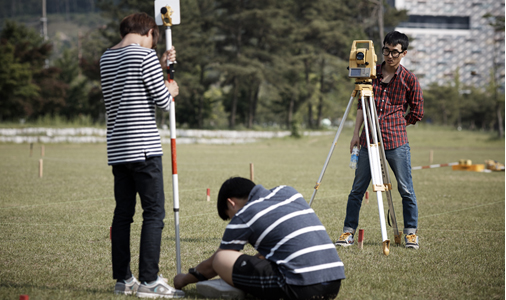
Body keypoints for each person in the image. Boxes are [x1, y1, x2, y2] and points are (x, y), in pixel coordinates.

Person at [100, 12, 184, 298]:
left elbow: (131, 87)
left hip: (118, 148)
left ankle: (123, 279)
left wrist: (159, 66)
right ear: (149, 31)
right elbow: (162, 99)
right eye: (153, 41)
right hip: (144, 148)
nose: (152, 46)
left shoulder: (106, 57)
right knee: (154, 213)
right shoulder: (144, 56)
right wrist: (170, 87)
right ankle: (149, 280)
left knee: (123, 214)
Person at [173, 177, 345, 300]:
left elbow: (212, 265)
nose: (234, 219)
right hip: (334, 283)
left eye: (230, 215)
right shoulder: (288, 192)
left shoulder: (244, 215)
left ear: (231, 203)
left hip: (301, 288)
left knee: (221, 258)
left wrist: (183, 280)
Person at [335, 31, 423, 249]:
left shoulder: (409, 79)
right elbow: (360, 105)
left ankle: (410, 232)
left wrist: (400, 123)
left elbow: (417, 110)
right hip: (367, 140)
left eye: (395, 52)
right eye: (386, 50)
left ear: (403, 53)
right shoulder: (369, 74)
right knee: (357, 190)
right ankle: (348, 232)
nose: (390, 56)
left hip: (396, 143)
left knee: (406, 189)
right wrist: (355, 133)